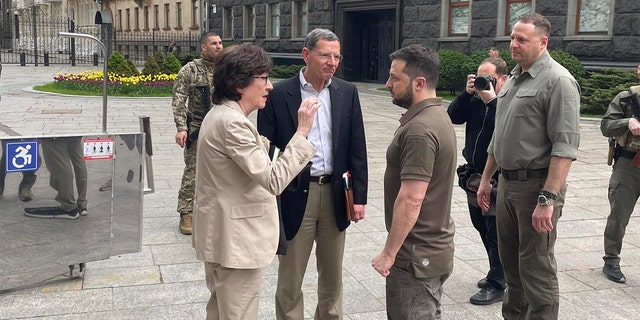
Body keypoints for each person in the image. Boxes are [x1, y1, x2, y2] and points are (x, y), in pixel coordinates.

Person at [193, 43, 319, 320]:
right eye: (262, 78)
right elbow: (273, 180)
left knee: (222, 311)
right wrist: (302, 132)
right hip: (235, 241)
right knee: (237, 313)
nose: (270, 86)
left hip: (226, 236)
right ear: (240, 84)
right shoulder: (232, 123)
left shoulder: (225, 116)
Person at [257, 28, 368, 320]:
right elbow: (266, 149)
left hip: (334, 193)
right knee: (290, 278)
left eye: (337, 56)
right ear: (306, 55)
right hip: (295, 193)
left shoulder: (346, 91)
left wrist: (359, 197)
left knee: (332, 278)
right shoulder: (280, 93)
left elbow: (357, 147)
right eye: (325, 55)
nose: (332, 62)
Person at [476, 13, 580, 319]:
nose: (513, 45)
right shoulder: (513, 80)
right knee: (511, 266)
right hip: (506, 185)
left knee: (536, 268)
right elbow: (499, 136)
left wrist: (546, 200)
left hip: (536, 187)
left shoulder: (558, 81)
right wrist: (486, 180)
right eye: (512, 38)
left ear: (543, 42)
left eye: (522, 39)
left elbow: (564, 148)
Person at [371, 44, 457, 319]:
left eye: (395, 78)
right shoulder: (435, 115)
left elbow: (411, 198)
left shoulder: (420, 129)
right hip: (429, 250)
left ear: (419, 83)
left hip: (415, 256)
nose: (388, 84)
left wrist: (389, 253)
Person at [447, 57, 508, 305]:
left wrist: (491, 102)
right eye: (479, 77)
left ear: (502, 79)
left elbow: (503, 128)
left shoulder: (506, 102)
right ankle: (498, 272)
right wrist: (467, 92)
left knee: (495, 231)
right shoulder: (473, 99)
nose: (483, 82)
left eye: (488, 78)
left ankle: (498, 283)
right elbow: (453, 116)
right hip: (473, 176)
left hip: (496, 178)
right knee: (480, 226)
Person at [172, 32, 223, 235]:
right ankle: (186, 213)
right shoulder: (190, 70)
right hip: (198, 128)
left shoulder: (226, 69)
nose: (219, 46)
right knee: (193, 171)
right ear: (203, 47)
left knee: (222, 171)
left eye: (220, 43)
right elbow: (179, 98)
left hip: (222, 129)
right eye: (213, 43)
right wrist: (181, 128)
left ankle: (215, 212)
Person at [599, 80, 640, 284]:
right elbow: (606, 126)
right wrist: (627, 123)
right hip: (629, 164)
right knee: (619, 214)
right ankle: (611, 260)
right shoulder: (626, 98)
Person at [24, 137, 88, 219]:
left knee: (59, 161)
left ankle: (68, 205)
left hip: (53, 132)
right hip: (74, 127)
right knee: (77, 155)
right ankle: (82, 203)